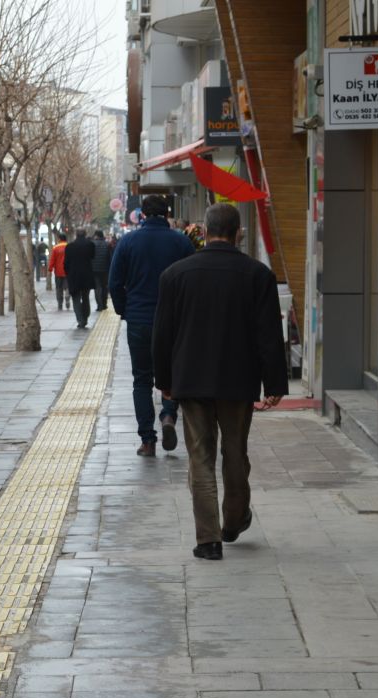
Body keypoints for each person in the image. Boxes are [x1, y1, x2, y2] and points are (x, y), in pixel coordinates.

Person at [153, 203, 286, 560]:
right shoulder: (258, 275)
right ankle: (233, 520)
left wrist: (164, 380)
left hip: (191, 380)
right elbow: (269, 334)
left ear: (205, 230)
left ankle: (208, 540)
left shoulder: (175, 275)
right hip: (238, 381)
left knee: (200, 457)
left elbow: (162, 334)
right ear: (238, 232)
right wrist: (275, 383)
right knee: (235, 453)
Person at [109, 194, 196, 457]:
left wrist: (125, 310)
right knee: (172, 374)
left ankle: (148, 440)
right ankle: (168, 415)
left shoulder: (128, 242)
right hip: (173, 321)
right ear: (167, 213)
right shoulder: (181, 242)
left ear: (143, 215)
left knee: (142, 379)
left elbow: (114, 283)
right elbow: (193, 279)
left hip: (139, 320)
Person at [64, 228, 95, 329]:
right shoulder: (90, 245)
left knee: (76, 298)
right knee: (86, 297)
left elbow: (66, 263)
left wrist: (68, 273)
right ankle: (85, 317)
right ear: (85, 234)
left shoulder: (69, 246)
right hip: (87, 275)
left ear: (76, 235)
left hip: (74, 276)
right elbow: (92, 257)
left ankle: (80, 320)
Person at [91, 230, 110, 311]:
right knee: (104, 287)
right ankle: (104, 304)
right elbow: (110, 257)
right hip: (105, 269)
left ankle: (99, 305)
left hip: (94, 270)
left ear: (96, 235)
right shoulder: (107, 244)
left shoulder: (92, 244)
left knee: (97, 288)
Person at [49, 232, 68, 310]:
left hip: (58, 272)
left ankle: (60, 303)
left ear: (59, 239)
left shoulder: (55, 248)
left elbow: (52, 260)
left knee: (59, 288)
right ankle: (67, 295)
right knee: (67, 287)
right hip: (67, 271)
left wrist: (50, 268)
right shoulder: (69, 246)